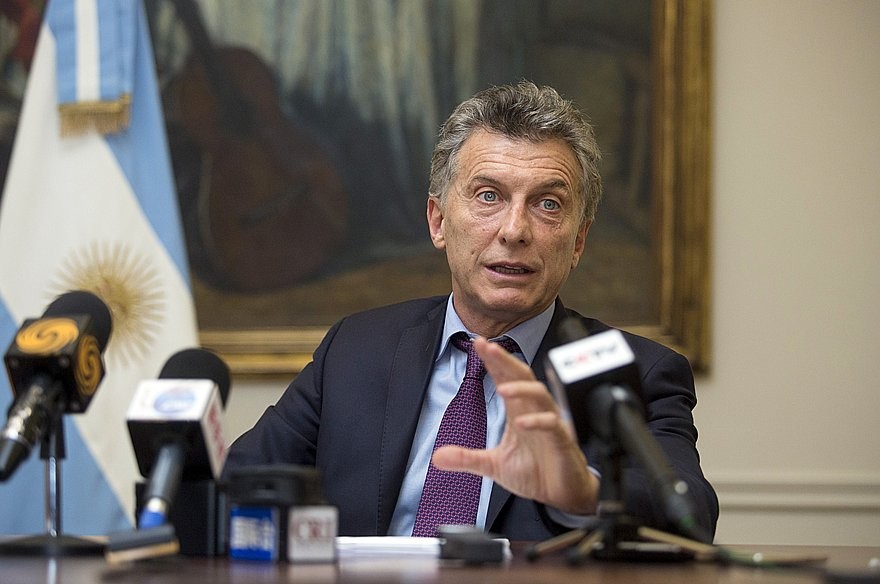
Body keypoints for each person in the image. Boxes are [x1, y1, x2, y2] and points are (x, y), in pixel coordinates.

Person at [222, 81, 719, 541]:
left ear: (578, 242)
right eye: (488, 196)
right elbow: (235, 489)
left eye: (548, 204)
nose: (514, 230)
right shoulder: (355, 350)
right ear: (438, 222)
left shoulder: (635, 373)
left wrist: (585, 494)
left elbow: (690, 514)